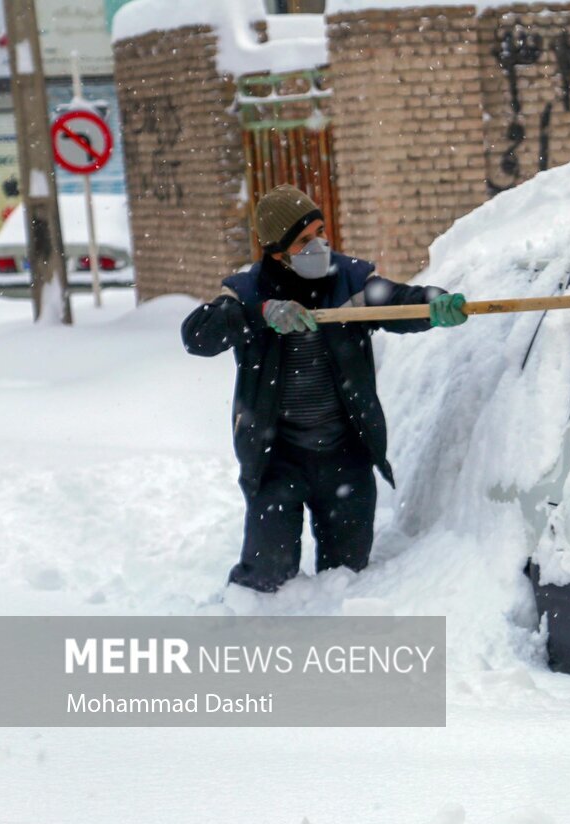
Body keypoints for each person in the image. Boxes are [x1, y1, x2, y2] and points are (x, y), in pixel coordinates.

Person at [181, 184, 467, 593]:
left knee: (346, 580)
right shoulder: (247, 292)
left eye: (320, 232)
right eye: (303, 240)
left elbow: (398, 301)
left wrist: (433, 305)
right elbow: (197, 336)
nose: (318, 244)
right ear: (277, 251)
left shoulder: (349, 281)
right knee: (265, 581)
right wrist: (261, 313)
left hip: (343, 455)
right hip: (276, 458)